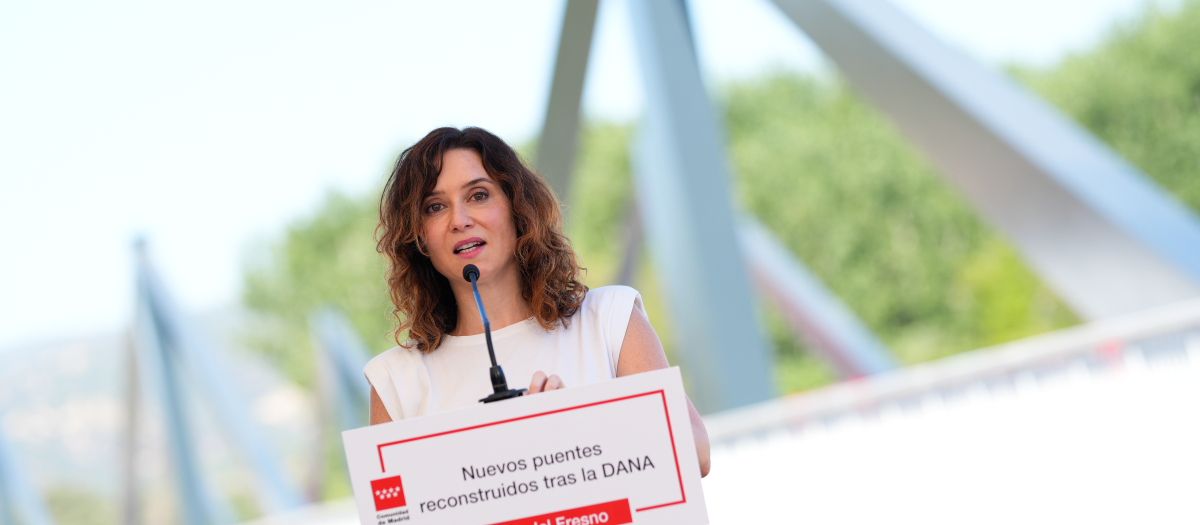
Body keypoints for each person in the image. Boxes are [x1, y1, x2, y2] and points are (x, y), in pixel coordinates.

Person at [364, 126, 710, 477]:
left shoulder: (609, 320)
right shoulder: (397, 382)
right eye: (435, 207)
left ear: (517, 207)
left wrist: (576, 429)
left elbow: (695, 455)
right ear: (418, 237)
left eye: (478, 195)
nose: (460, 220)